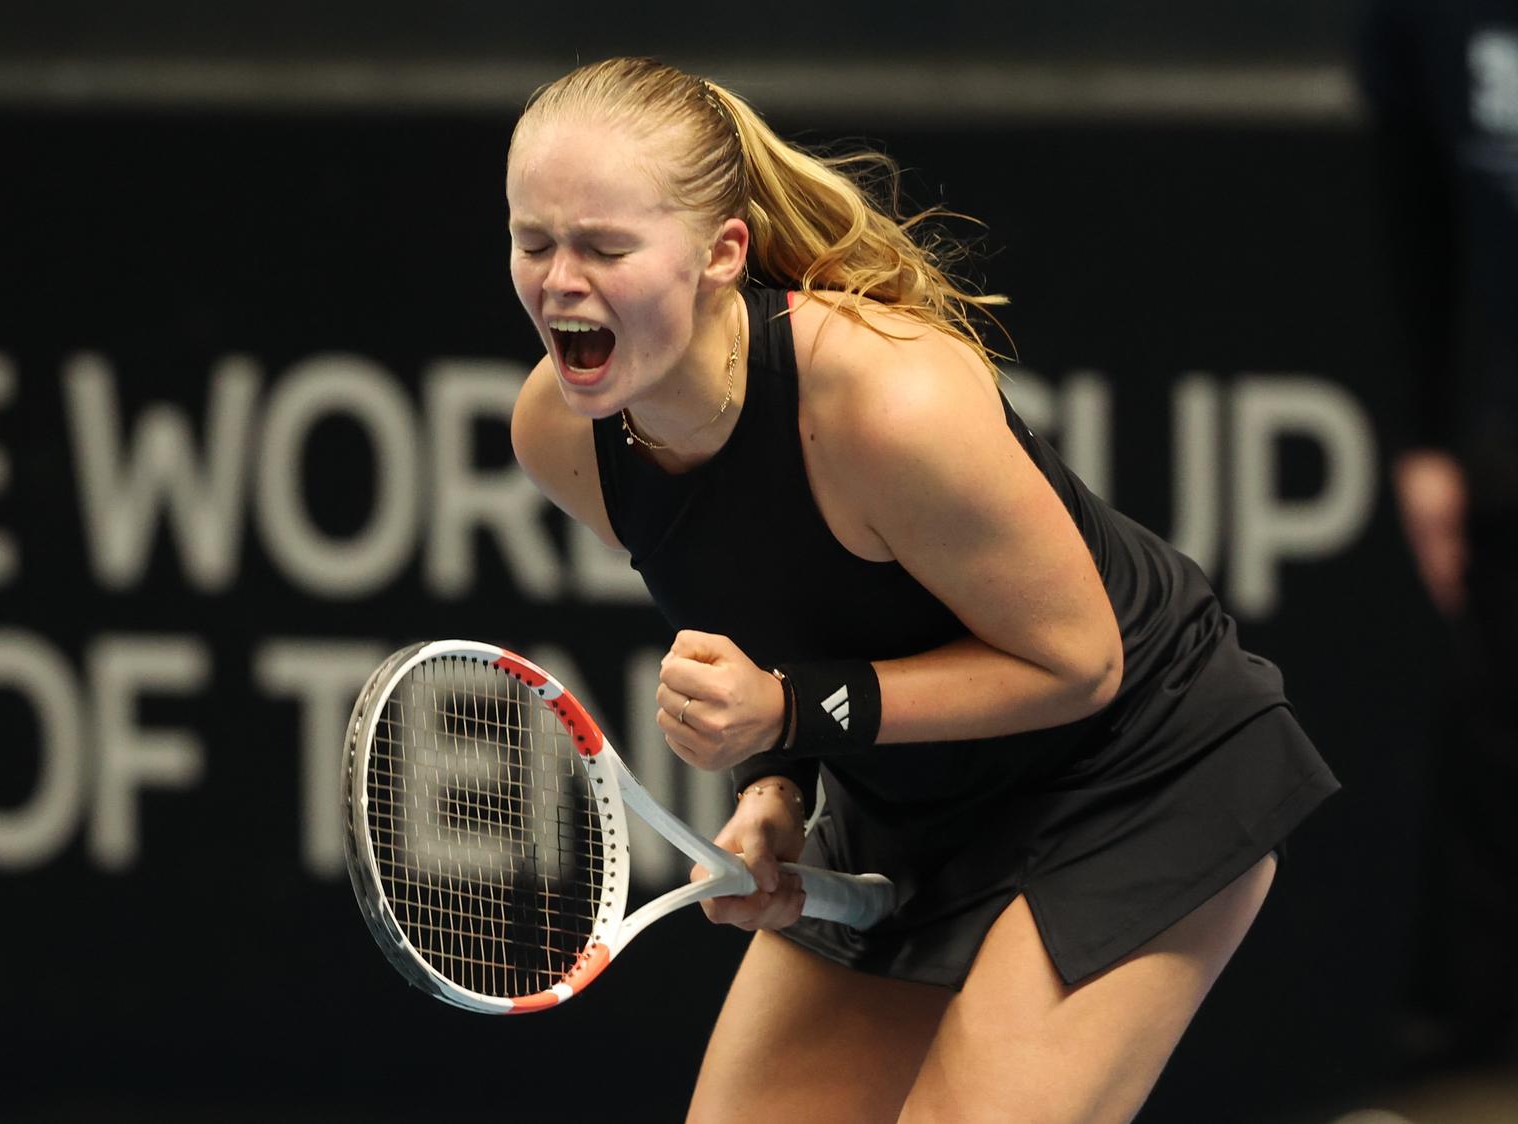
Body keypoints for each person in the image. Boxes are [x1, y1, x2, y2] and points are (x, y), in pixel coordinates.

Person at [506, 57, 1341, 1121]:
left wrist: (791, 710)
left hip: (1138, 767)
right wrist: (778, 787)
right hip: (909, 799)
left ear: (721, 254)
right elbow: (765, 605)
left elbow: (1080, 661)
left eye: (605, 248)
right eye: (534, 242)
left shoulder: (888, 400)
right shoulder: (561, 434)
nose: (558, 281)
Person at [1360, 0, 1518, 1074]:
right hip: (1503, 436)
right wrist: (1428, 434)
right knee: (1493, 744)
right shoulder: (1428, 21)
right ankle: (1473, 1057)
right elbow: (1415, 206)